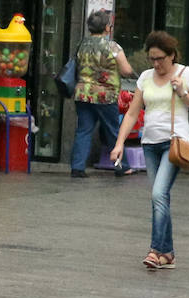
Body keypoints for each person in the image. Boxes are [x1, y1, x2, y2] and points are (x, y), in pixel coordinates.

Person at [111, 31, 189, 270]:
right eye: (152, 59)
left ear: (172, 55)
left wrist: (183, 94)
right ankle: (168, 253)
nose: (156, 64)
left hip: (174, 143)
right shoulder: (145, 77)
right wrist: (119, 143)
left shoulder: (186, 74)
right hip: (150, 143)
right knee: (160, 197)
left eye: (160, 59)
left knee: (158, 194)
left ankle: (155, 250)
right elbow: (133, 112)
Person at [69, 9, 136, 178]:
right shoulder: (112, 46)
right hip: (105, 95)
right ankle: (121, 166)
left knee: (83, 130)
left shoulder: (82, 44)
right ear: (107, 28)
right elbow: (126, 70)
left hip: (82, 93)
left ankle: (77, 167)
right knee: (114, 131)